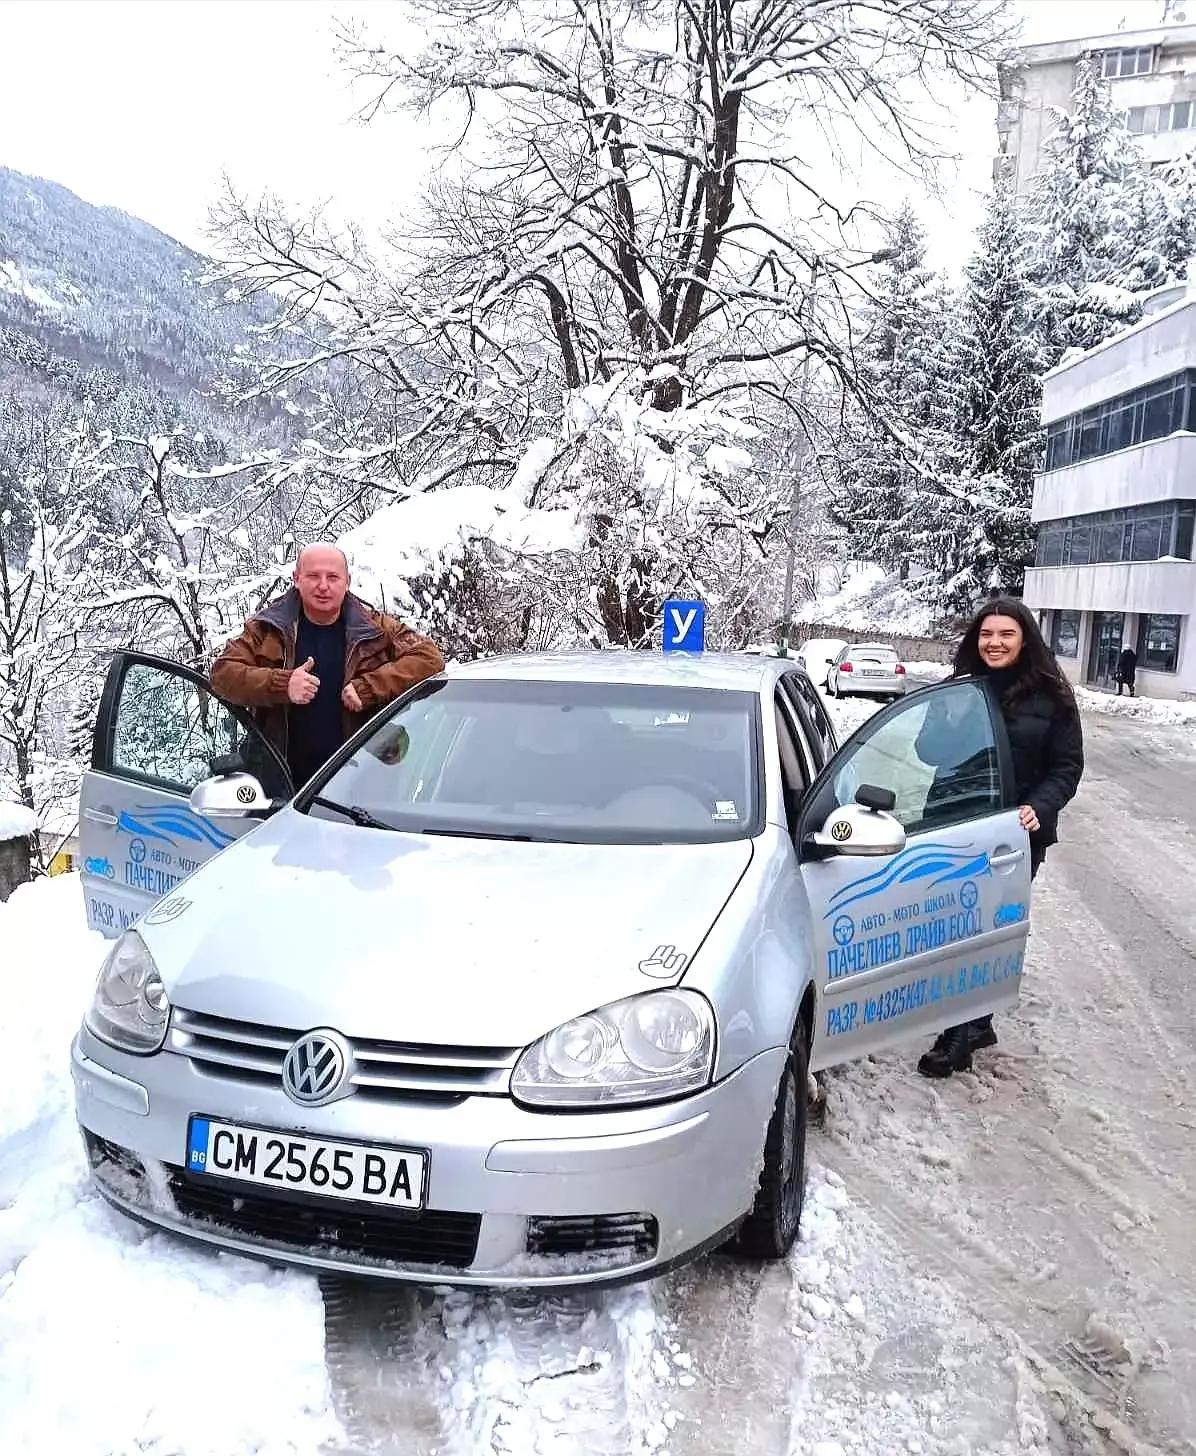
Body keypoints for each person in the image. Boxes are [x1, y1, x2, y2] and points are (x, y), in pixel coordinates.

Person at [915, 597, 1084, 1079]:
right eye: (987, 635)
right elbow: (927, 752)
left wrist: (1041, 807)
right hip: (952, 827)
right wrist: (947, 718)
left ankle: (960, 1033)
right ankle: (973, 1018)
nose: (995, 643)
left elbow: (1067, 765)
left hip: (1012, 835)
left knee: (988, 931)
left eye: (1006, 635)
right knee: (951, 925)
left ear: (1024, 639)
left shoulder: (1054, 698)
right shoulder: (957, 690)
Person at [210, 543, 445, 787]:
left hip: (358, 786)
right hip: (280, 786)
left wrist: (370, 687)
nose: (323, 586)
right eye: (313, 576)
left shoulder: (374, 628)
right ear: (296, 579)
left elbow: (428, 658)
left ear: (347, 581)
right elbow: (222, 674)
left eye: (332, 577)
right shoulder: (268, 628)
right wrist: (282, 684)